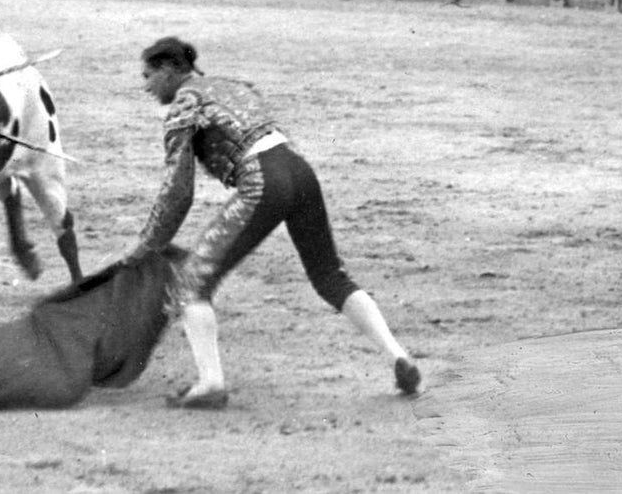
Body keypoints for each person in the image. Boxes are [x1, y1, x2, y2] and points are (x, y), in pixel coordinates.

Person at [132, 37, 421, 409]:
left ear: (169, 70)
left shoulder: (184, 105)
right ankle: (398, 356)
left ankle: (210, 383)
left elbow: (177, 192)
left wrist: (148, 243)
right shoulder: (232, 86)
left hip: (263, 180)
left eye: (148, 76)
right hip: (299, 170)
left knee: (190, 281)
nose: (146, 86)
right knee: (329, 274)